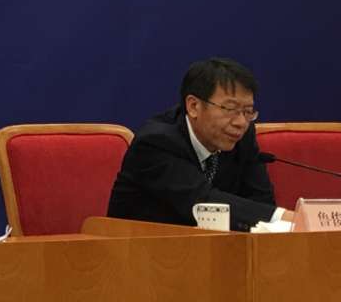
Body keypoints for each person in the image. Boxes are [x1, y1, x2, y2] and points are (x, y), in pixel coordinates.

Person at [107, 57, 281, 231]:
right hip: (139, 244)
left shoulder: (241, 137)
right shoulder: (155, 142)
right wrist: (280, 216)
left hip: (214, 245)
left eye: (248, 111)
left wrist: (274, 220)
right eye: (230, 109)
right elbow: (202, 202)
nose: (241, 122)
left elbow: (262, 201)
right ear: (193, 106)